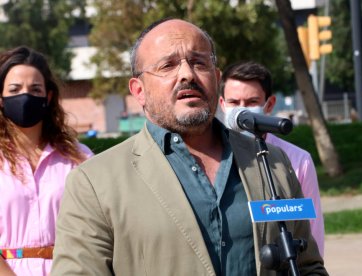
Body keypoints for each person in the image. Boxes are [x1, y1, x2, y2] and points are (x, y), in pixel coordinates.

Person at [51, 18, 328, 275]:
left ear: (216, 79)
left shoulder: (272, 163)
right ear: (139, 91)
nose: (187, 74)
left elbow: (307, 267)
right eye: (167, 65)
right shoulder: (94, 183)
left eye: (199, 62)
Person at [0, 46, 93, 276]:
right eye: (14, 89)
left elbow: (97, 227)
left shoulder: (79, 157)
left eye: (35, 89)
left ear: (48, 96)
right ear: (1, 99)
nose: (25, 95)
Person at [219, 61, 325, 256]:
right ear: (222, 105)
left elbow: (312, 234)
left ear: (270, 104)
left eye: (252, 102)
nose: (242, 111)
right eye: (234, 102)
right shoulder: (212, 156)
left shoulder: (298, 160)